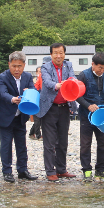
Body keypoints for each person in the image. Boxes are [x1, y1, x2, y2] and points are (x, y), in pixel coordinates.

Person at [0, 51, 38, 183]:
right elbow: (2, 93)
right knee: (6, 144)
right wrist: (12, 99)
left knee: (21, 144)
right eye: (14, 66)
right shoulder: (1, 77)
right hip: (5, 116)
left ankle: (22, 170)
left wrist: (29, 92)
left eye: (19, 66)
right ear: (9, 64)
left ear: (24, 65)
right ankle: (7, 171)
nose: (17, 69)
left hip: (20, 116)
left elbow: (33, 89)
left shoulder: (27, 77)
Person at [37, 43, 77, 182]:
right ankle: (50, 171)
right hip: (49, 107)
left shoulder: (69, 65)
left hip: (65, 107)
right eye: (55, 53)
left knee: (63, 141)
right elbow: (47, 82)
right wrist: (58, 85)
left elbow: (73, 78)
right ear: (51, 54)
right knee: (49, 142)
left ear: (64, 54)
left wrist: (71, 82)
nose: (58, 56)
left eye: (61, 53)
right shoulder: (45, 66)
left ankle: (61, 169)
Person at [76, 52, 104, 180]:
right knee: (86, 144)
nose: (102, 70)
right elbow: (77, 95)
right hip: (86, 115)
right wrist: (88, 105)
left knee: (103, 143)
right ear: (93, 64)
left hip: (103, 115)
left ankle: (101, 169)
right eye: (100, 68)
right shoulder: (84, 75)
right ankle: (86, 170)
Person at [29, 66, 43, 140]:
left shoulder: (43, 79)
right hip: (35, 101)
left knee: (40, 120)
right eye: (39, 71)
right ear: (36, 72)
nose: (41, 72)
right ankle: (38, 135)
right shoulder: (34, 81)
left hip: (42, 102)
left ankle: (31, 133)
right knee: (37, 120)